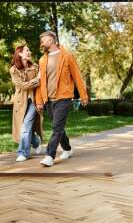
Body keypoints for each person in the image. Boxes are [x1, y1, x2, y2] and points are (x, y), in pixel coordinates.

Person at [35, 31, 89, 167]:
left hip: (64, 97)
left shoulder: (67, 56)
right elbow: (40, 82)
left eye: (43, 40)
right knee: (58, 127)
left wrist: (83, 95)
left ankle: (49, 155)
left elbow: (77, 76)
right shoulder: (42, 60)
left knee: (56, 127)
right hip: (49, 99)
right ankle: (67, 149)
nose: (41, 43)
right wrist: (39, 100)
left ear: (51, 40)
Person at [10, 45, 44, 162]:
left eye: (29, 50)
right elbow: (22, 86)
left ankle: (23, 153)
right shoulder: (14, 70)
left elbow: (41, 84)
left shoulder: (35, 67)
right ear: (19, 54)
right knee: (23, 127)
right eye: (27, 50)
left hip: (34, 101)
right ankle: (35, 141)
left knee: (26, 125)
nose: (29, 52)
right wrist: (37, 80)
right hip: (20, 103)